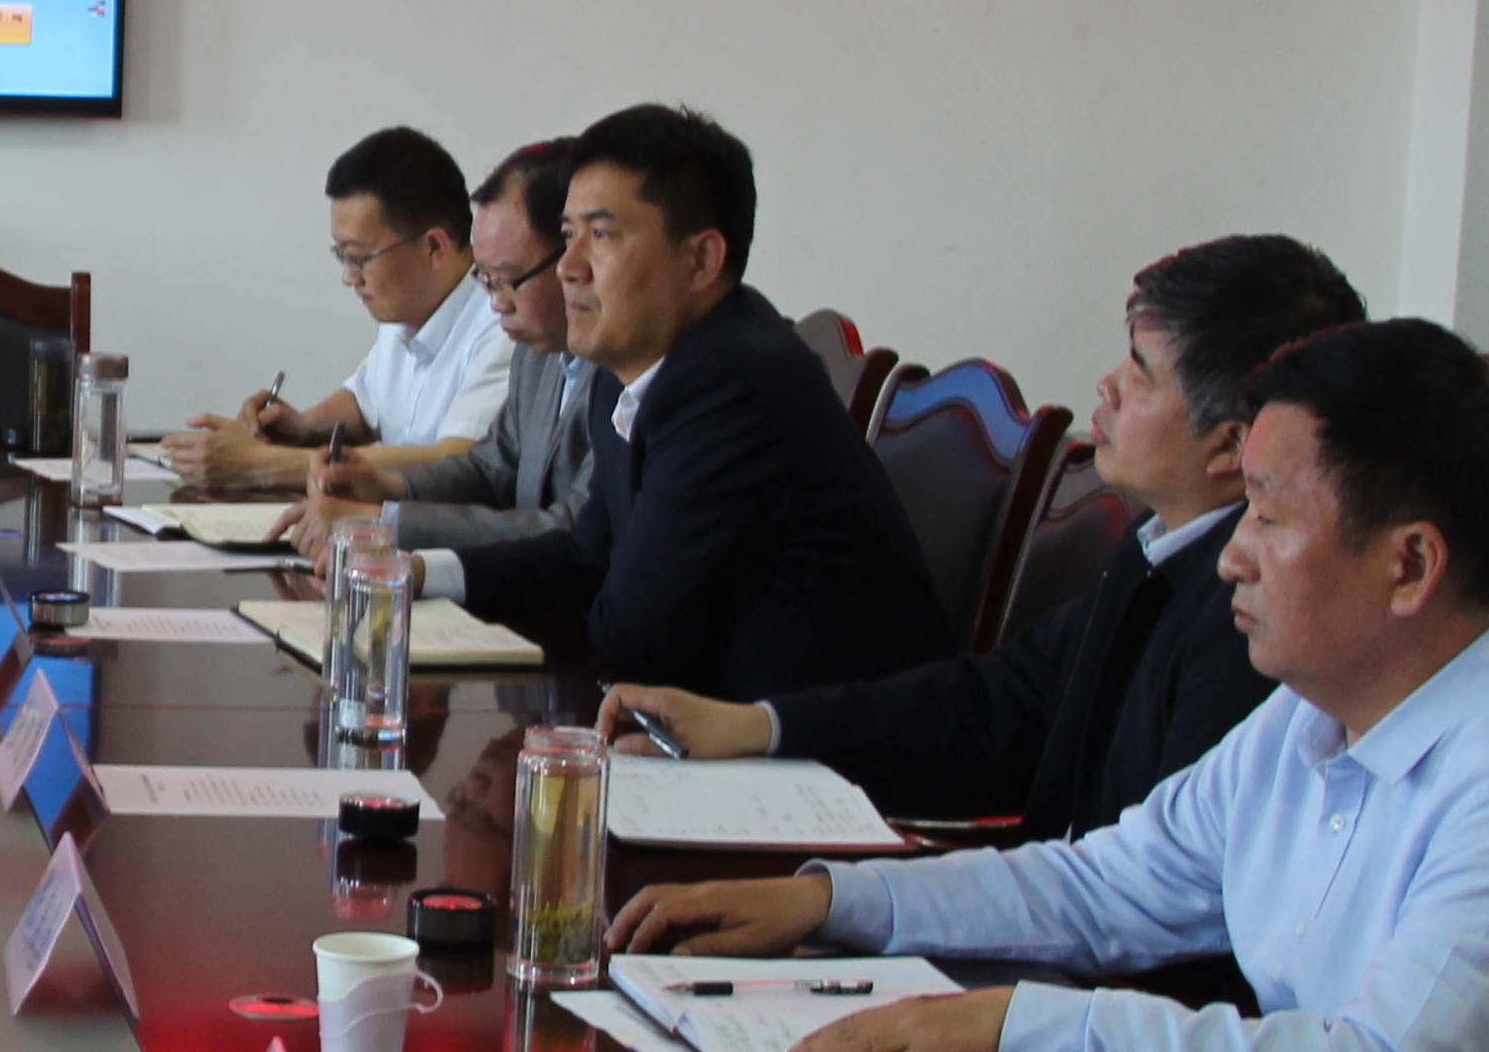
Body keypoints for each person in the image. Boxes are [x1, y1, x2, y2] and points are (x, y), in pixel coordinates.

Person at [607, 318, 1489, 1052]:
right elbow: (1105, 886)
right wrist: (830, 899)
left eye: (1269, 517)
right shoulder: (1322, 705)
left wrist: (1015, 1025)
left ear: (1409, 564)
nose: (1231, 553)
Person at [608, 233, 1364, 838]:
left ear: (1231, 447)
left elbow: (1147, 894)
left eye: (1140, 373)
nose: (1106, 385)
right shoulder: (1160, 543)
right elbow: (997, 700)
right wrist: (757, 726)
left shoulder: (1248, 618)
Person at [423, 100, 948, 697]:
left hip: (827, 740)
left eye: (601, 234)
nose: (568, 266)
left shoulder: (733, 384)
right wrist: (420, 572)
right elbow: (587, 557)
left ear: (701, 260)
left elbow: (636, 636)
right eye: (568, 235)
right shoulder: (632, 370)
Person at [290, 140, 595, 556]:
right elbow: (492, 466)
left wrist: (384, 522)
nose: (496, 303)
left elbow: (578, 530)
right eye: (485, 279)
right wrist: (386, 486)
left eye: (507, 279)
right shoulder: (539, 352)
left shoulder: (621, 372)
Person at [168, 126, 513, 494]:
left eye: (359, 257)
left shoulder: (503, 322)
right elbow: (366, 404)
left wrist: (261, 465)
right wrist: (302, 426)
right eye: (342, 256)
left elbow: (458, 462)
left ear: (434, 247)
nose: (349, 278)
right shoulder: (408, 309)